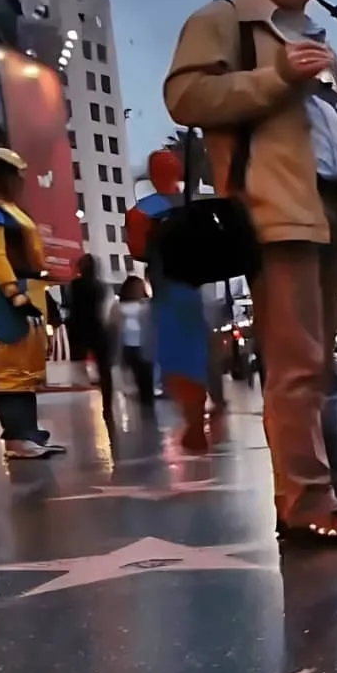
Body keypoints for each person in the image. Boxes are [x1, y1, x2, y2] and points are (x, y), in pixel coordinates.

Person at [165, 0, 337, 546]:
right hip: (277, 212)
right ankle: (305, 504)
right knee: (294, 367)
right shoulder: (226, 21)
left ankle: (316, 488)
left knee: (317, 365)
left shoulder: (324, 43)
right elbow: (185, 96)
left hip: (331, 216)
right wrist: (276, 77)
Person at [0, 146, 66, 458]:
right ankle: (18, 437)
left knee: (27, 368)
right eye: (16, 176)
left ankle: (28, 432)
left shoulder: (5, 208)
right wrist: (14, 295)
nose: (21, 182)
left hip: (25, 290)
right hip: (5, 293)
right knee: (13, 366)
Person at [127, 145, 222, 453]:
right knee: (196, 358)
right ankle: (196, 418)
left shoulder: (140, 212)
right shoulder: (194, 205)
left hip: (166, 291)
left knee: (173, 359)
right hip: (196, 291)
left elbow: (137, 250)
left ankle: (191, 420)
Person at [65, 269, 117, 430]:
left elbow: (71, 306)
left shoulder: (74, 285)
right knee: (104, 369)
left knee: (79, 364)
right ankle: (107, 402)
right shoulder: (101, 285)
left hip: (81, 329)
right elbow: (104, 310)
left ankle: (90, 397)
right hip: (97, 328)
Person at [113, 275, 156, 408]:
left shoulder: (147, 306)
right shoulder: (118, 308)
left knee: (145, 380)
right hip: (128, 348)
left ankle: (147, 407)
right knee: (135, 381)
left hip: (144, 347)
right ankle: (143, 408)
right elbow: (113, 329)